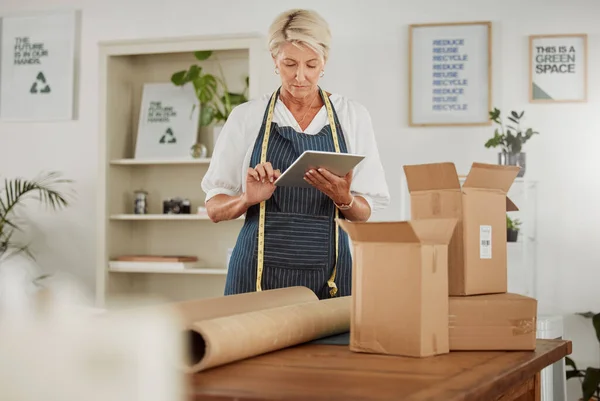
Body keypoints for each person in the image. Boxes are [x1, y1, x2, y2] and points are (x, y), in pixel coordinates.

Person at [202, 9, 390, 300]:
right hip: (256, 275)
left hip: (330, 276)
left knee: (330, 347)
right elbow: (214, 209)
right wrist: (247, 199)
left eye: (311, 65)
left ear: (324, 62)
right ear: (275, 61)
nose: (300, 76)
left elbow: (365, 212)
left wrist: (344, 198)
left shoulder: (353, 116)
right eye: (289, 64)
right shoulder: (246, 117)